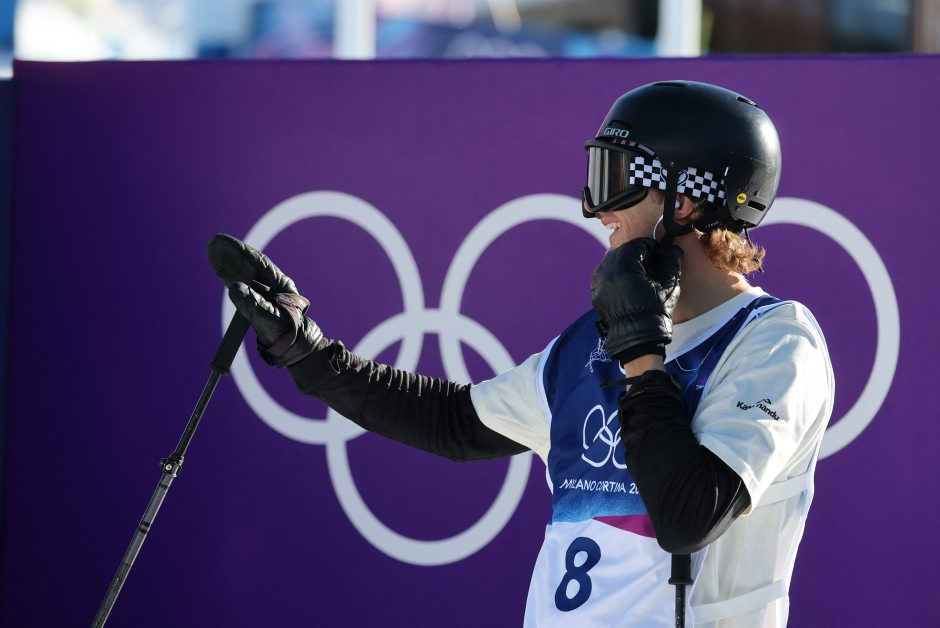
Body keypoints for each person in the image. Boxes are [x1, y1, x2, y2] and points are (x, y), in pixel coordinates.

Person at [207, 80, 834, 627]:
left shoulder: (775, 341)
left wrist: (643, 354)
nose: (595, 211)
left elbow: (688, 516)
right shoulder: (592, 342)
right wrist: (308, 351)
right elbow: (454, 422)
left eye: (615, 181)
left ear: (684, 201)